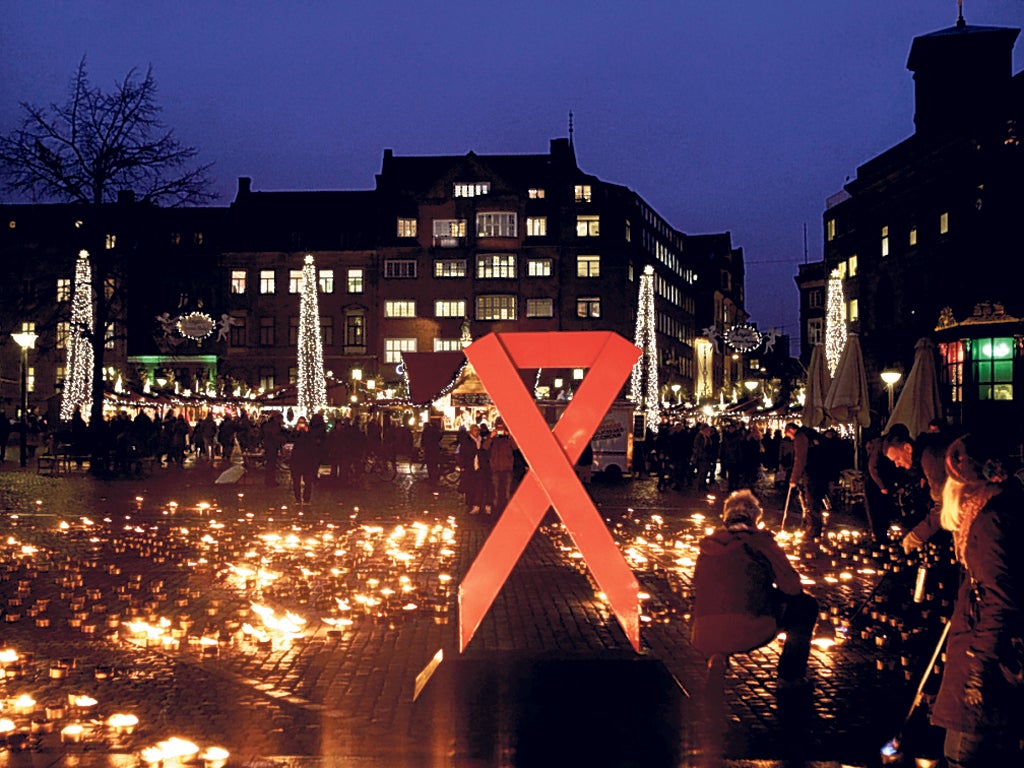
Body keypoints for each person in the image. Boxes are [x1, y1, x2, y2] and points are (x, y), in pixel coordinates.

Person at [929, 435, 1024, 767]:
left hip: (987, 658)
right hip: (991, 650)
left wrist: (977, 666)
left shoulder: (988, 522)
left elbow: (999, 598)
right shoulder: (1009, 504)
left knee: (962, 753)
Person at [692, 489, 819, 691]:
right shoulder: (761, 543)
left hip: (704, 631)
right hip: (748, 626)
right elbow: (793, 588)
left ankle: (717, 656)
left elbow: (697, 583)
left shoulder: (709, 545)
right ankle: (790, 677)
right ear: (755, 518)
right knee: (806, 606)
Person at [784, 422, 828, 540]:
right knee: (814, 501)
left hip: (812, 472)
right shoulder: (809, 435)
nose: (790, 438)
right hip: (821, 470)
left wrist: (794, 478)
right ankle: (815, 527)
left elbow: (800, 459)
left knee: (811, 501)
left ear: (792, 430)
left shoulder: (800, 438)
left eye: (789, 435)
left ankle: (813, 529)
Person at [289, 416, 324, 504]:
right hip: (297, 460)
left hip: (307, 460)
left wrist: (307, 431)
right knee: (296, 481)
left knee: (308, 481)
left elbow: (313, 442)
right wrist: (296, 431)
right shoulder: (295, 432)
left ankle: (306, 498)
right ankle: (297, 498)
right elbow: (291, 439)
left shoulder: (310, 432)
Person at [486, 420, 516, 511]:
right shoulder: (493, 439)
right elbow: (485, 447)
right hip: (496, 467)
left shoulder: (508, 439)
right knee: (495, 490)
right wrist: (491, 437)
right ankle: (495, 507)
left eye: (501, 428)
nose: (500, 431)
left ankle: (508, 507)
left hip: (506, 467)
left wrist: (510, 437)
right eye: (498, 428)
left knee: (507, 490)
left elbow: (515, 448)